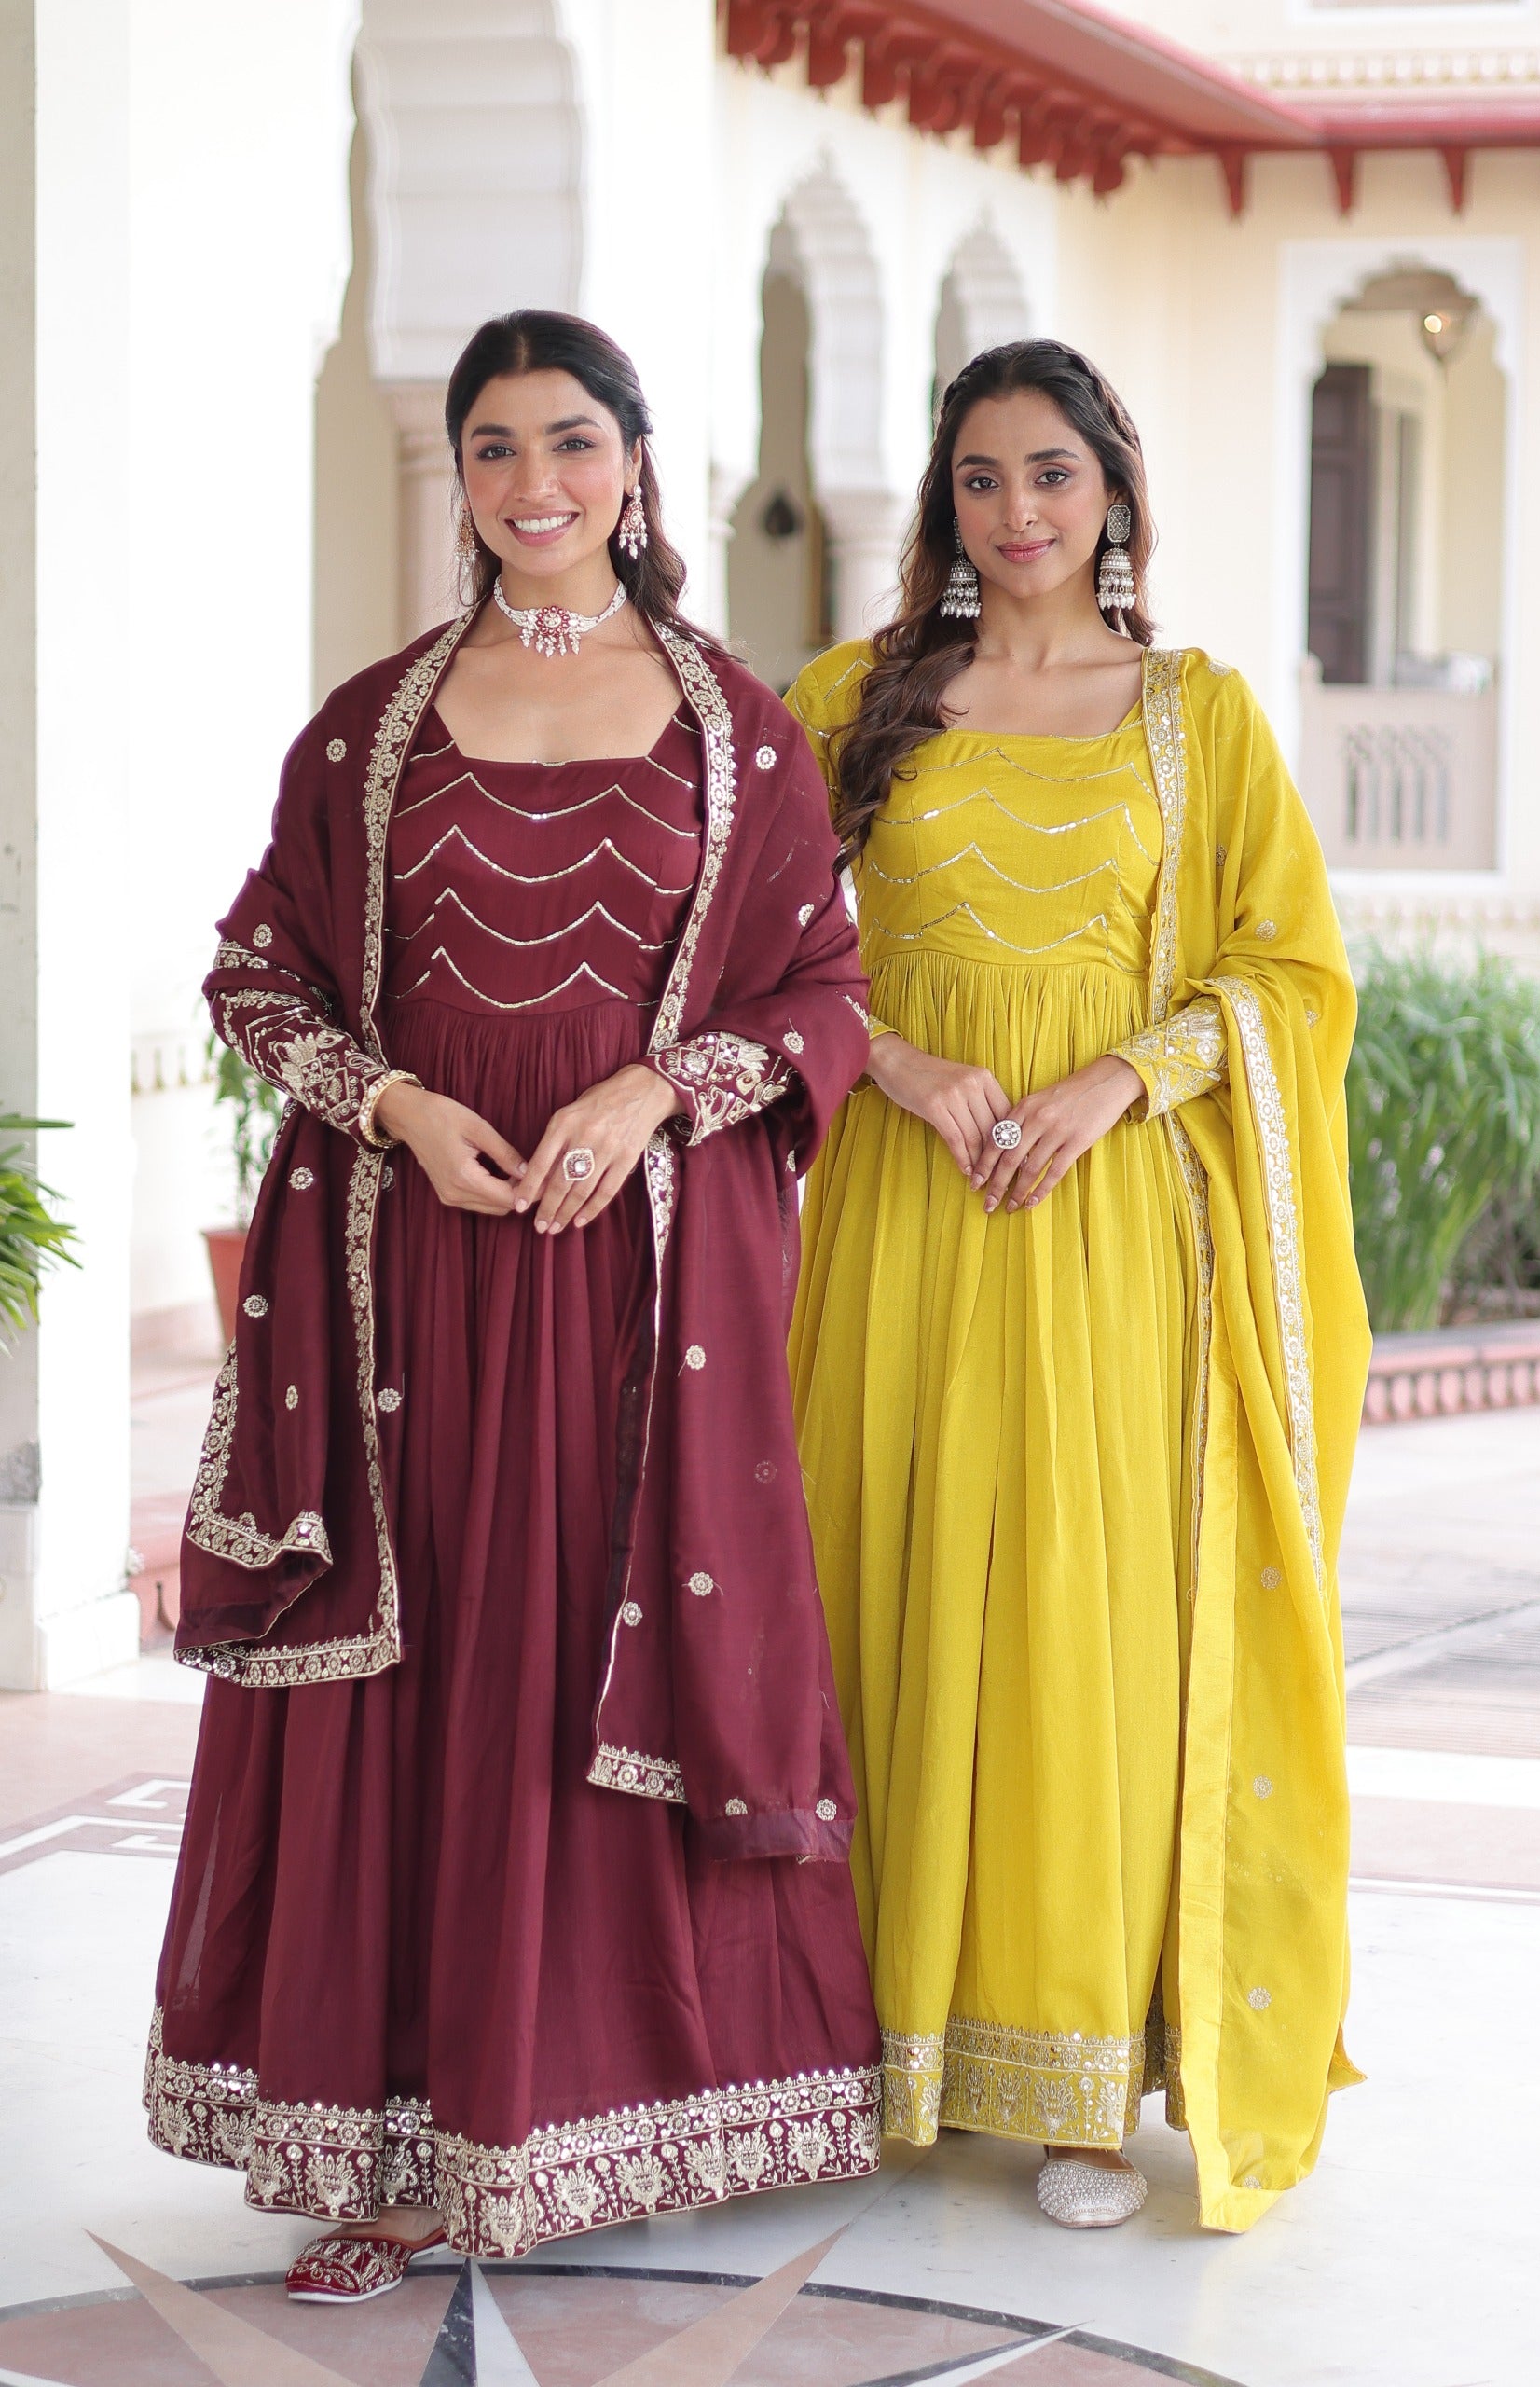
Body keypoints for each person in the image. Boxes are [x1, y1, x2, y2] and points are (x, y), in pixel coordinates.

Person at [144, 310, 881, 2301]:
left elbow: (820, 989)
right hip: (410, 1285)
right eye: (492, 448)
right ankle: (399, 2141)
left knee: (573, 1668)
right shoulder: (374, 717)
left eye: (570, 441)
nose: (532, 483)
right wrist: (390, 1099)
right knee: (421, 1679)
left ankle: (579, 2111)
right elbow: (261, 977)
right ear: (457, 476)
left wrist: (655, 1094)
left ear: (639, 462)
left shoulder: (738, 730)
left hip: (634, 1292)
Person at [787, 339, 1369, 2235]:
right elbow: (751, 955)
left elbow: (1291, 972)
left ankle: (1074, 2078)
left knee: (1079, 1619)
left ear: (1111, 486)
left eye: (1049, 474)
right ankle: (858, 2038)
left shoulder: (1194, 717)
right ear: (942, 504)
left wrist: (1127, 1071)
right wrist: (891, 1058)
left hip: (1112, 1227)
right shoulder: (854, 702)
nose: (1016, 514)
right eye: (978, 480)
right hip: (899, 1214)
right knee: (876, 1582)